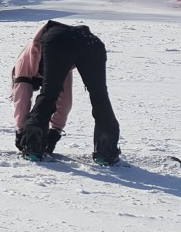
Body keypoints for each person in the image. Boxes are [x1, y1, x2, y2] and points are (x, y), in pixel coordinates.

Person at [11, 20, 121, 165]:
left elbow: (22, 98)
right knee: (100, 96)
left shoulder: (22, 64)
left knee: (49, 93)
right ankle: (106, 151)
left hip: (59, 41)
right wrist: (55, 131)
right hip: (91, 41)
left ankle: (33, 147)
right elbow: (65, 100)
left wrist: (21, 131)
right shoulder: (56, 63)